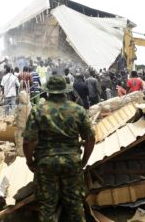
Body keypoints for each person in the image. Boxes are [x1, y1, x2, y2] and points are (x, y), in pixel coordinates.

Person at [23, 75, 95, 222]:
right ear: (65, 91)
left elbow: (28, 141)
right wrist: (83, 161)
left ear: (48, 91)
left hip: (46, 163)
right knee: (75, 204)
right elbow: (90, 139)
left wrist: (29, 161)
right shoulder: (78, 110)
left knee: (47, 206)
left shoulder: (38, 110)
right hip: (72, 162)